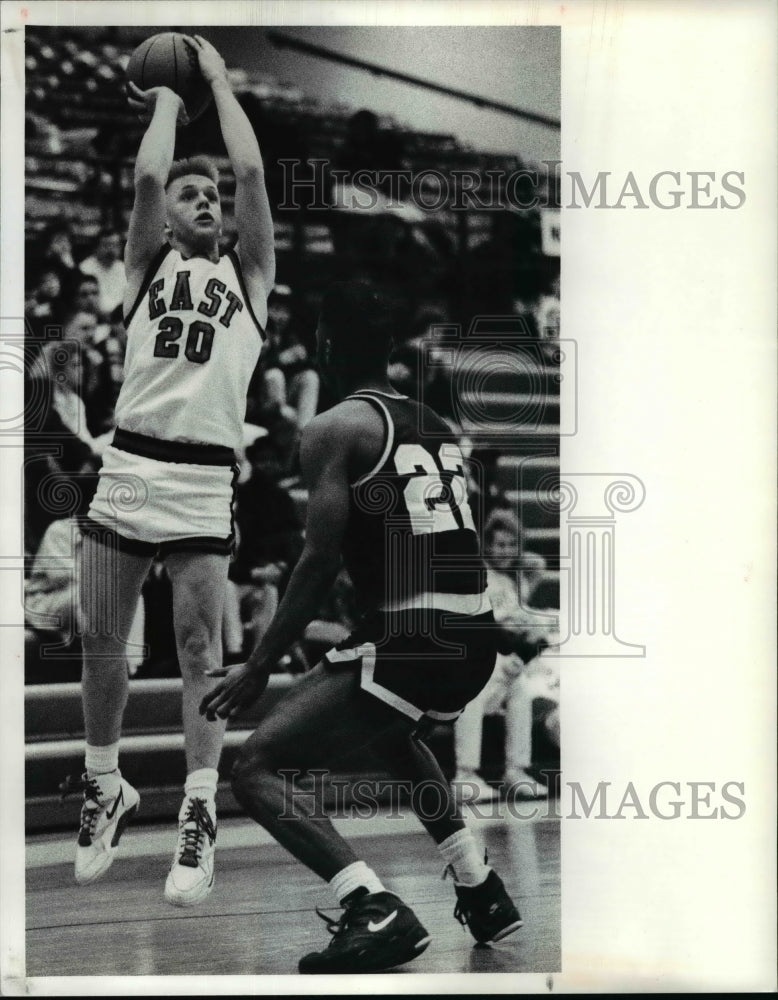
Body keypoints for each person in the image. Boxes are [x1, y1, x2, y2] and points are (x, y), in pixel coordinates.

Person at [200, 281, 521, 974]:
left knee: (255, 767)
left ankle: (371, 906)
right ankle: (481, 886)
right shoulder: (439, 425)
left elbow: (316, 562)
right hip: (474, 637)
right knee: (393, 730)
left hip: (414, 634)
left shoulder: (333, 429)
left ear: (325, 348)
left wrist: (258, 665)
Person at [61, 35, 275, 908]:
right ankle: (104, 784)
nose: (204, 201)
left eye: (210, 195)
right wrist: (163, 97)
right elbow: (146, 182)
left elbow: (254, 177)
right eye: (192, 192)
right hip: (131, 464)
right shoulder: (146, 269)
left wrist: (217, 80)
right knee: (100, 639)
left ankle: (197, 809)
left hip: (201, 478)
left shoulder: (251, 277)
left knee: (197, 652)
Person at [453, 509, 559, 801]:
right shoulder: (478, 572)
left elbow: (536, 563)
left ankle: (515, 770)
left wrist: (516, 551)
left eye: (510, 545)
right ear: (486, 545)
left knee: (521, 691)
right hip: (475, 653)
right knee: (476, 687)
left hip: (506, 655)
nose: (505, 551)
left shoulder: (515, 580)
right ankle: (465, 774)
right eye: (498, 544)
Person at [78, 227, 126, 318]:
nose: (111, 250)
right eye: (106, 245)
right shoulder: (84, 268)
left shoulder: (124, 269)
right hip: (93, 317)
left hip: (121, 319)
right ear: (96, 247)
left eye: (115, 245)